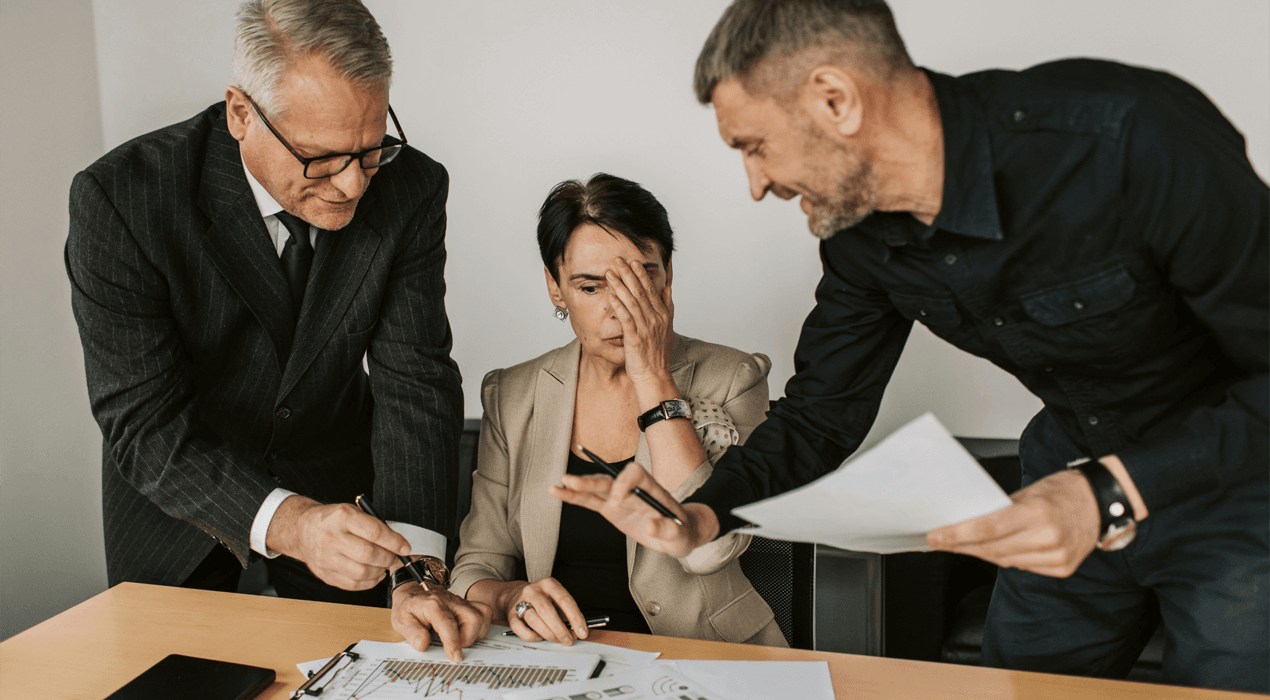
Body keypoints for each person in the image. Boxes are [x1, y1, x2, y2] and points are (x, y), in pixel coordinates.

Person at [552, 0, 1268, 691]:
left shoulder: (1130, 139)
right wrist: (701, 513)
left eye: (755, 146)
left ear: (835, 99)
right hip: (1064, 474)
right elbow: (819, 418)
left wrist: (1112, 491)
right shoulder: (859, 239)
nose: (756, 183)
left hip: (1239, 486)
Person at [65, 0, 488, 661]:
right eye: (321, 158)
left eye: (371, 149)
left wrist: (419, 570)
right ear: (241, 113)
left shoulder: (410, 189)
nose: (352, 185)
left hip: (344, 495)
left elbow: (418, 382)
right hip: (174, 506)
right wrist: (288, 522)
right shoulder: (122, 199)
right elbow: (142, 422)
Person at [444, 174, 787, 647]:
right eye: (590, 287)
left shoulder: (733, 378)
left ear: (668, 279)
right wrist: (512, 598)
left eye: (639, 280)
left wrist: (653, 379)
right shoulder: (513, 393)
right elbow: (475, 566)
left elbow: (709, 553)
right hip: (561, 659)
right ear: (555, 288)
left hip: (703, 655)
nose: (619, 310)